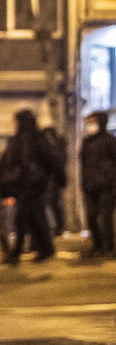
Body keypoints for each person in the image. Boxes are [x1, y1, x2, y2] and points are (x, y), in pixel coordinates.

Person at [0, 108, 63, 263]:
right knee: (35, 218)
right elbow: (6, 161)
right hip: (29, 185)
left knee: (22, 218)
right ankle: (46, 249)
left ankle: (16, 253)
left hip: (32, 186)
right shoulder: (29, 139)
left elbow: (50, 160)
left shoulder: (33, 140)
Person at [80, 111, 116, 259]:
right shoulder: (86, 142)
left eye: (92, 122)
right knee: (91, 216)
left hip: (106, 186)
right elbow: (83, 163)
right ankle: (97, 245)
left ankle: (108, 247)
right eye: (88, 123)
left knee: (105, 217)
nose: (90, 125)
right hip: (90, 186)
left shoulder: (110, 141)